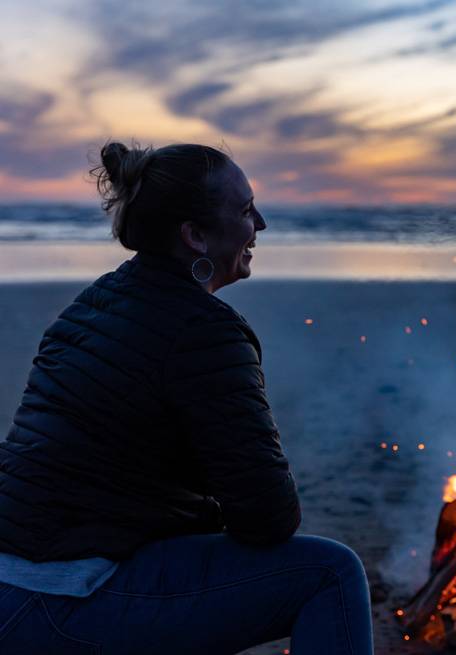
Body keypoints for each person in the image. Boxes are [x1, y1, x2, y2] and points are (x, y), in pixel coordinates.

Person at [0, 142, 373, 654]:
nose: (259, 224)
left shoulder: (90, 305)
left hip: (12, 579)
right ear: (195, 236)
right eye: (244, 211)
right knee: (330, 572)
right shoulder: (205, 331)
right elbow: (269, 517)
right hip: (58, 600)